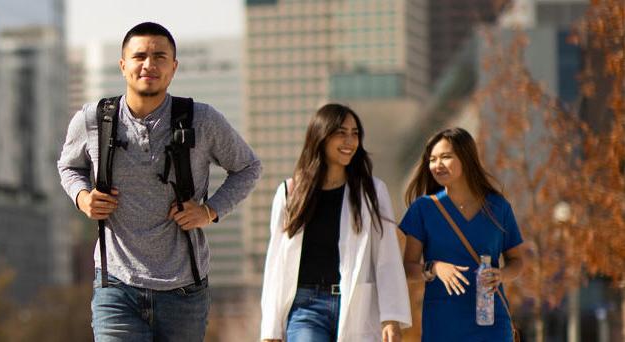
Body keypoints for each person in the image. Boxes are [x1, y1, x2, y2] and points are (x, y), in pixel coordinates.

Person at [57, 22, 261, 341]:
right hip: (116, 288)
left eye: (159, 56)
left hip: (184, 291)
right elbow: (68, 167)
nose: (148, 65)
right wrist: (83, 198)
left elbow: (248, 167)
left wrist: (210, 211)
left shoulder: (203, 119)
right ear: (123, 65)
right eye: (139, 56)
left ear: (174, 67)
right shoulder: (92, 120)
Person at [258, 104, 411, 341]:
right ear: (321, 136)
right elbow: (276, 263)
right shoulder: (289, 192)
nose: (350, 140)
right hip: (305, 308)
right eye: (341, 132)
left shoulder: (371, 191)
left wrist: (391, 317)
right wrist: (270, 330)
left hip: (356, 304)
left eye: (355, 133)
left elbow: (387, 258)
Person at [400, 127, 527, 341]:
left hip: (491, 322)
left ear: (466, 159)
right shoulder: (423, 209)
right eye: (432, 159)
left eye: (445, 157)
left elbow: (517, 261)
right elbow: (407, 268)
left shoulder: (498, 207)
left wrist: (501, 275)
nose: (437, 165)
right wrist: (434, 268)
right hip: (442, 324)